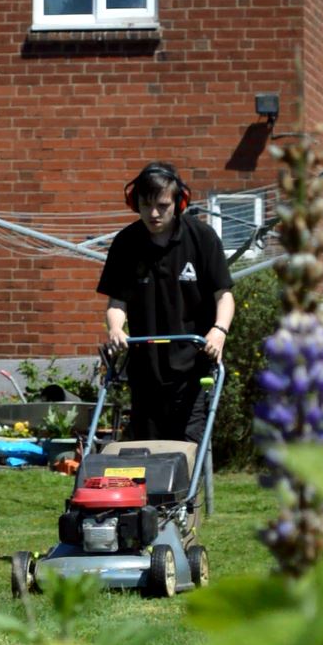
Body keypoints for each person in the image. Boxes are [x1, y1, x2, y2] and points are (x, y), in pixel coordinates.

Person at [96, 162, 235, 443]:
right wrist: (115, 330)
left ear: (179, 202)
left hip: (194, 367)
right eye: (145, 205)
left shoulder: (202, 238)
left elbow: (225, 296)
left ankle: (187, 489)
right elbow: (117, 302)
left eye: (162, 205)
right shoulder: (126, 243)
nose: (154, 213)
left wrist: (218, 331)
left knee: (188, 446)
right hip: (145, 369)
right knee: (146, 448)